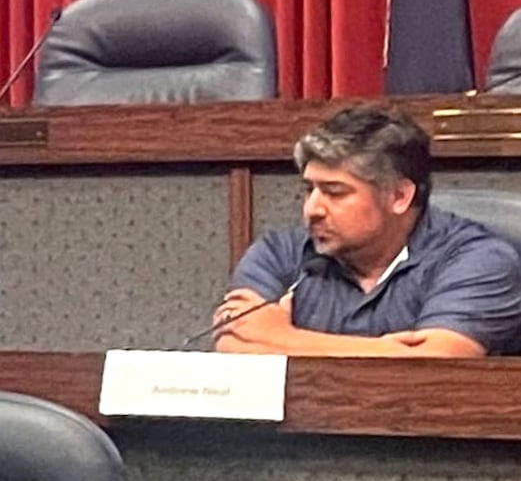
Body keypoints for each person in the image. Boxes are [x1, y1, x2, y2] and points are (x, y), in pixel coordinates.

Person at [210, 103, 521, 358]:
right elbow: (233, 343)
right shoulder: (281, 253)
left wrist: (281, 338)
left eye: (335, 192)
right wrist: (384, 351)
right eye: (309, 190)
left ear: (399, 196)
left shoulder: (478, 260)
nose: (312, 210)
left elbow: (435, 364)